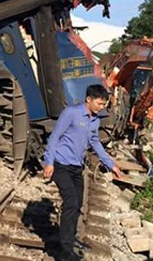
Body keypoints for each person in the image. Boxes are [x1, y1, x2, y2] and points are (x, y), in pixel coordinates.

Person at [43, 84, 122, 261]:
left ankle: (70, 239)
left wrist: (111, 164)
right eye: (100, 103)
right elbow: (55, 136)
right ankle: (65, 251)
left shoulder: (95, 120)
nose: (102, 107)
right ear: (89, 99)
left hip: (76, 166)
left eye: (104, 104)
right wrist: (49, 162)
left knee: (77, 204)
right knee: (70, 201)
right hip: (60, 163)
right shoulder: (71, 113)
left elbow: (95, 142)